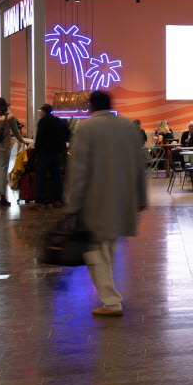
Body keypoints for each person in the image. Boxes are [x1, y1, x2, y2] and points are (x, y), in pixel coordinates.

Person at [64, 91, 147, 316]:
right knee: (107, 247)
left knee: (95, 251)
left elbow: (79, 171)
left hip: (95, 201)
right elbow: (141, 164)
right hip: (123, 199)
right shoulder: (128, 126)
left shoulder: (85, 128)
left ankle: (111, 300)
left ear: (91, 106)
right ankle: (110, 296)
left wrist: (73, 204)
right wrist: (141, 197)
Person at [34, 105, 71, 206]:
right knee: (56, 177)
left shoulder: (43, 121)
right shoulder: (59, 121)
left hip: (45, 153)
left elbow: (39, 138)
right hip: (57, 153)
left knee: (40, 176)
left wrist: (36, 152)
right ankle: (57, 199)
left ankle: (39, 200)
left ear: (43, 111)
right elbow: (68, 135)